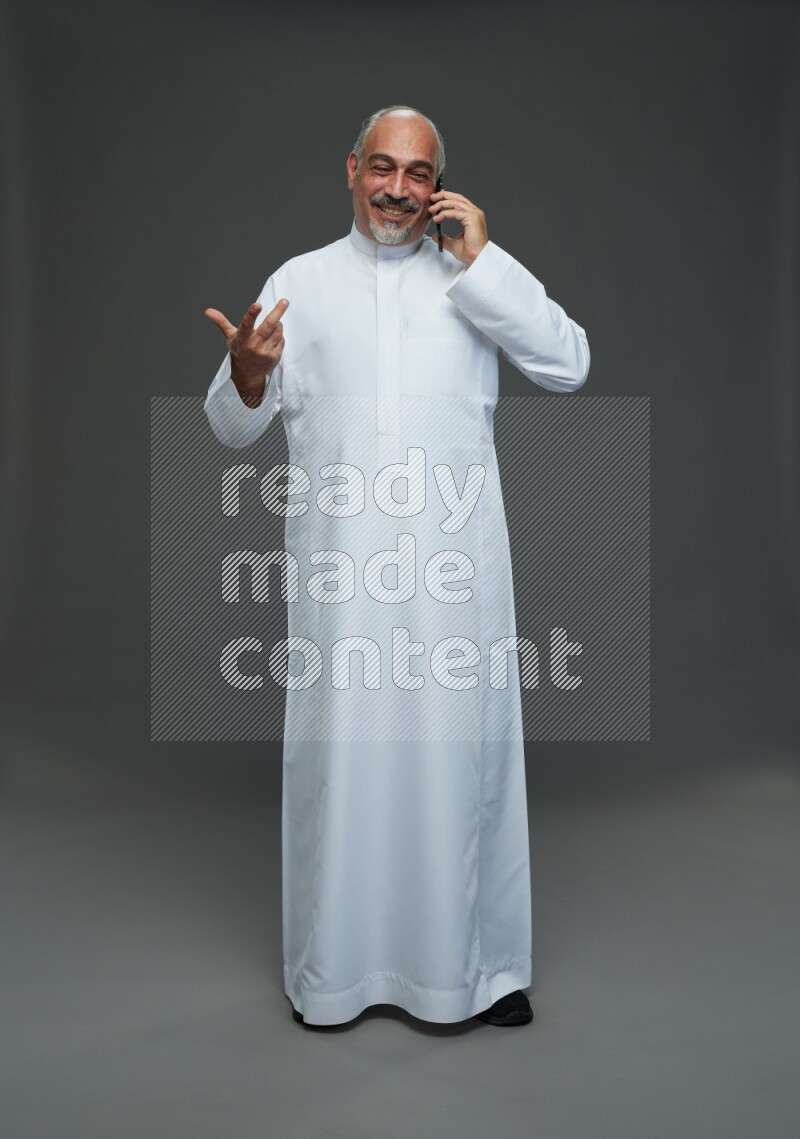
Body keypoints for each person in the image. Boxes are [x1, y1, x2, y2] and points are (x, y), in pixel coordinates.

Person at [203, 105, 590, 1028]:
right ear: (352, 170)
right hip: (341, 578)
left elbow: (569, 365)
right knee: (340, 768)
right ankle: (333, 973)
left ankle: (481, 971)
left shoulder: (473, 279)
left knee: (461, 764)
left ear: (439, 187)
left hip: (455, 578)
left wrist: (484, 262)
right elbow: (230, 427)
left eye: (419, 173)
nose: (399, 189)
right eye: (383, 167)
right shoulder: (300, 283)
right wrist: (249, 373)